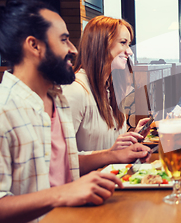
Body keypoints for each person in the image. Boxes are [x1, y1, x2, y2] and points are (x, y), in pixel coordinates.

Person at [0, 0, 150, 223]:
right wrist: (64, 193)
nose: (73, 49)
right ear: (34, 45)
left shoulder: (56, 100)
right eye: (63, 39)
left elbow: (66, 166)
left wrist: (114, 155)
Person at [62, 16, 149, 153]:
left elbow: (110, 146)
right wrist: (110, 154)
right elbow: (63, 159)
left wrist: (133, 137)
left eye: (129, 44)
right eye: (123, 42)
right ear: (100, 44)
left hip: (113, 173)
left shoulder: (110, 88)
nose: (129, 51)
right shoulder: (75, 90)